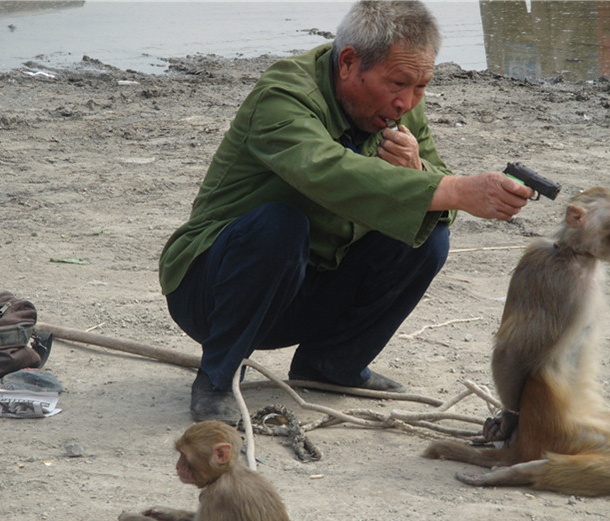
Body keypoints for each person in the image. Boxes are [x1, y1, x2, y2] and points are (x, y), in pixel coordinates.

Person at [159, 0, 532, 423]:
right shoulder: (283, 94)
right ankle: (216, 379)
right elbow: (329, 174)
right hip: (211, 289)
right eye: (398, 84)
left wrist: (419, 170)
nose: (407, 102)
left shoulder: (399, 103)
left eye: (421, 87)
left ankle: (332, 366)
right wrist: (450, 188)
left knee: (426, 237)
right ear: (348, 63)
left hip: (304, 288)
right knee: (280, 225)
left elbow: (437, 196)